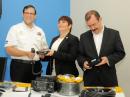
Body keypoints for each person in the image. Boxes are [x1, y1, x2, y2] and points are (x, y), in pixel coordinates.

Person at [77, 10, 125, 87]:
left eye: (94, 24)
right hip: (90, 80)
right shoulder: (83, 36)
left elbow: (120, 53)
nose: (92, 28)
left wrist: (108, 59)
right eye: (89, 26)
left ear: (100, 19)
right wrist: (83, 63)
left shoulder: (114, 34)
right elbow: (79, 55)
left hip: (109, 79)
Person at [5, 5, 48, 83]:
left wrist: (43, 54)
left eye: (32, 13)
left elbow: (44, 49)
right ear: (22, 14)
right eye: (27, 13)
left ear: (35, 16)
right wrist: (26, 53)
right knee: (18, 93)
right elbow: (9, 49)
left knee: (36, 92)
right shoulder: (15, 29)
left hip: (36, 67)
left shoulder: (40, 31)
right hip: (19, 67)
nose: (29, 15)